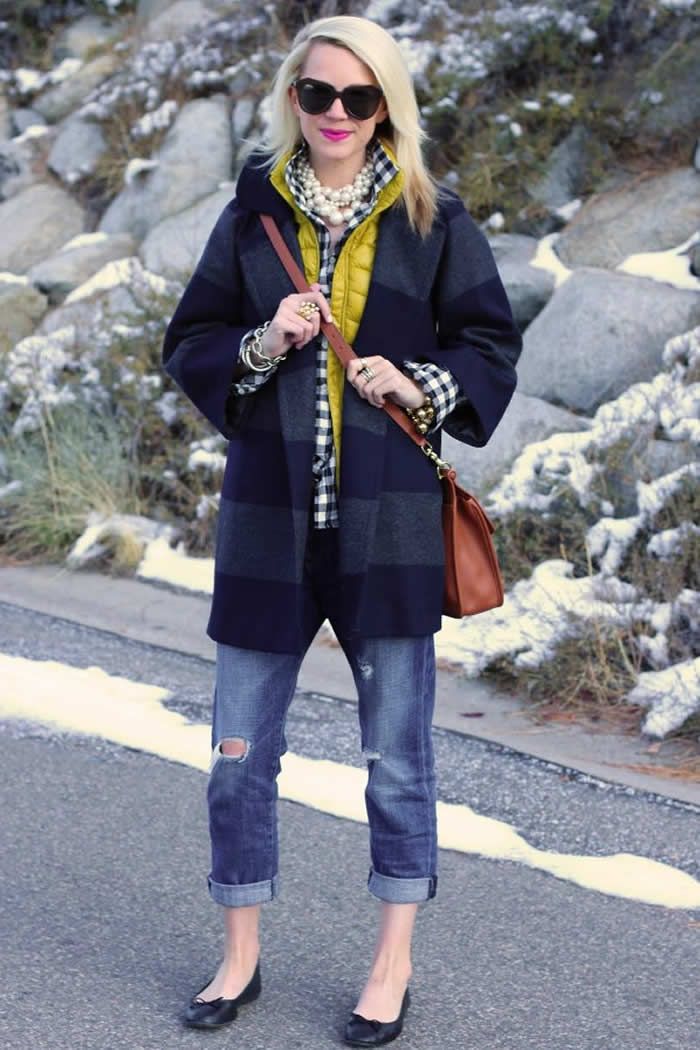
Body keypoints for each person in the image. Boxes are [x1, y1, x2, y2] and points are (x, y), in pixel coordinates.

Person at [161, 13, 522, 1046]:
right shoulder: (251, 216)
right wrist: (263, 341)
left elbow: (491, 346)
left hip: (390, 529)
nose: (335, 114)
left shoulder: (433, 219)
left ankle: (392, 964)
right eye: (317, 93)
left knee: (397, 761)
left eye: (358, 98)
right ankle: (239, 958)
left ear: (386, 109)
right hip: (267, 528)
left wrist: (420, 385)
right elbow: (189, 341)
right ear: (293, 97)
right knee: (237, 755)